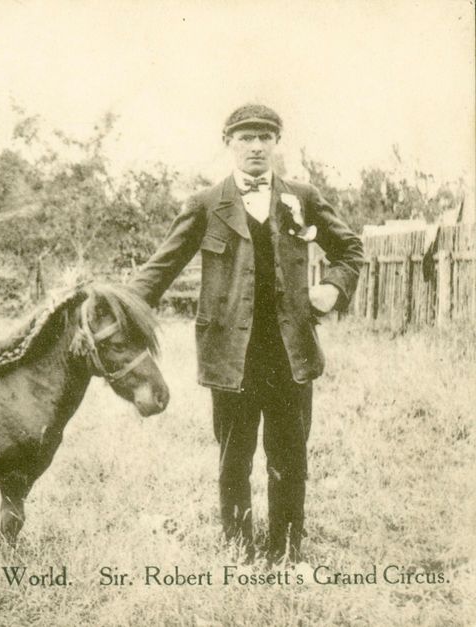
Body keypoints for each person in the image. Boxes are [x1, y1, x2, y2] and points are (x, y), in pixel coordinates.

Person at [131, 104, 364, 563]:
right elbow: (159, 270)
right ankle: (238, 548)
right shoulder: (204, 204)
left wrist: (333, 289)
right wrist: (118, 308)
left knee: (290, 455)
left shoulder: (303, 196)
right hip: (229, 354)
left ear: (277, 143)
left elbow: (350, 250)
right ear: (228, 143)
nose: (256, 146)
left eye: (265, 137)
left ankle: (286, 549)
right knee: (233, 455)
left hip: (290, 352)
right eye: (245, 138)